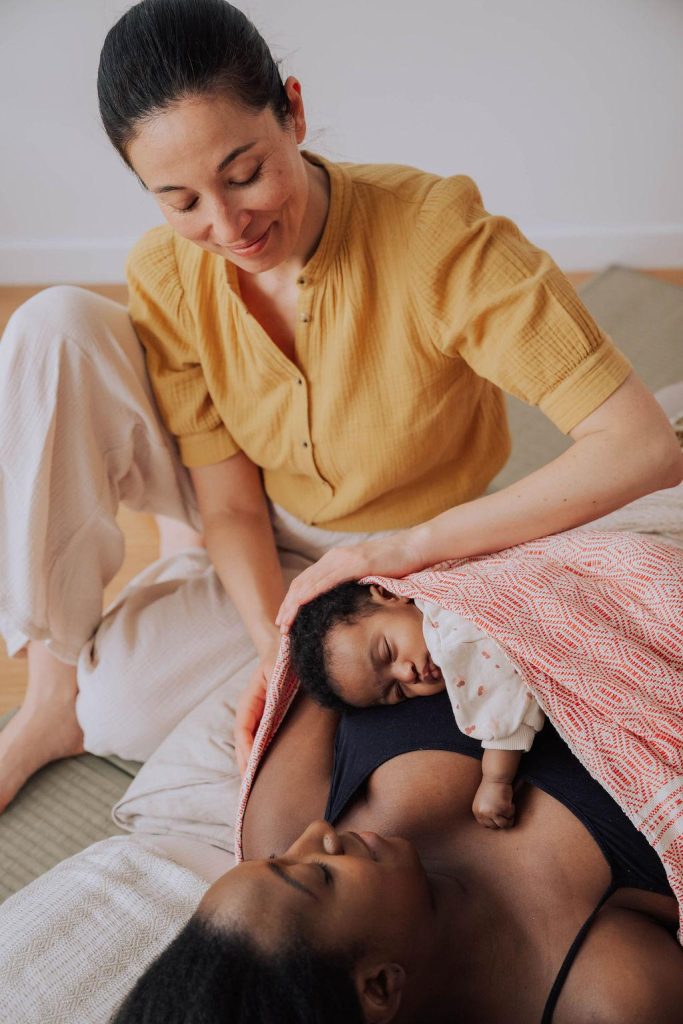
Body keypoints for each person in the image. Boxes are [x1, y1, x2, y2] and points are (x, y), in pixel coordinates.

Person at [0, 0, 681, 818]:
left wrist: (402, 549)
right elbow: (228, 498)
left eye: (244, 172)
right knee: (52, 326)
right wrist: (273, 643)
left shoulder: (438, 236)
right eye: (180, 201)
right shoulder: (167, 268)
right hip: (250, 507)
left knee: (116, 714)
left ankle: (177, 578)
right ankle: (47, 693)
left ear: (292, 110)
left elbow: (641, 444)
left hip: (399, 558)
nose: (224, 224)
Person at [111, 682, 683, 1023]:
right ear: (380, 987)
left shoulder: (280, 826)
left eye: (273, 861)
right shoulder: (607, 996)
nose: (313, 835)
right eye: (318, 875)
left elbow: (331, 629)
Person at [290, 581, 544, 828]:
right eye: (397, 690)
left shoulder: (455, 636)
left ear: (389, 595)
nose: (406, 674)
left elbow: (507, 702)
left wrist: (496, 781)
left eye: (388, 652)